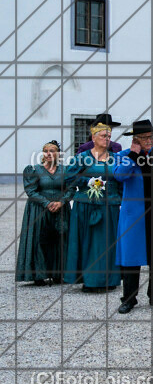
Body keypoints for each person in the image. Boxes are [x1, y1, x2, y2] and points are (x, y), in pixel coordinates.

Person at [111, 119, 153, 314]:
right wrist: (133, 154)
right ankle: (129, 299)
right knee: (132, 258)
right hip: (134, 216)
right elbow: (120, 176)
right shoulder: (124, 156)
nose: (149, 140)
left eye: (151, 137)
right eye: (144, 138)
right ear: (136, 139)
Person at [64, 122, 122, 292]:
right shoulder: (82, 157)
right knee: (90, 243)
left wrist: (121, 200)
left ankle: (110, 279)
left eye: (109, 136)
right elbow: (68, 177)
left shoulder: (115, 157)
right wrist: (87, 182)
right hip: (86, 205)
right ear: (94, 137)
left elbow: (121, 180)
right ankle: (90, 280)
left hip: (110, 205)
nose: (107, 139)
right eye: (104, 136)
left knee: (108, 243)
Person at [16, 140, 72, 285]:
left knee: (60, 240)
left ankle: (59, 274)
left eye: (52, 151)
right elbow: (30, 190)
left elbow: (71, 189)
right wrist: (47, 203)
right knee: (39, 240)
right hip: (39, 209)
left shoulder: (65, 170)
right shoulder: (34, 170)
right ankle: (39, 274)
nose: (48, 154)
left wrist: (61, 202)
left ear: (58, 154)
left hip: (60, 209)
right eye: (46, 151)